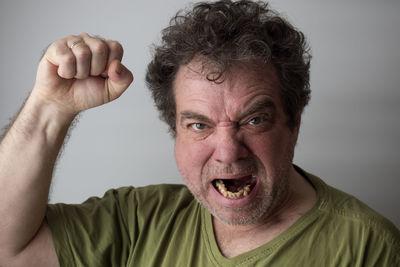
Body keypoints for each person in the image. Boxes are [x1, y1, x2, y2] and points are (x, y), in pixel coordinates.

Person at [0, 0, 399, 266]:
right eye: (199, 125)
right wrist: (50, 108)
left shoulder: (368, 248)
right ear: (174, 131)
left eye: (253, 120)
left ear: (293, 124)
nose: (227, 151)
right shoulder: (138, 222)